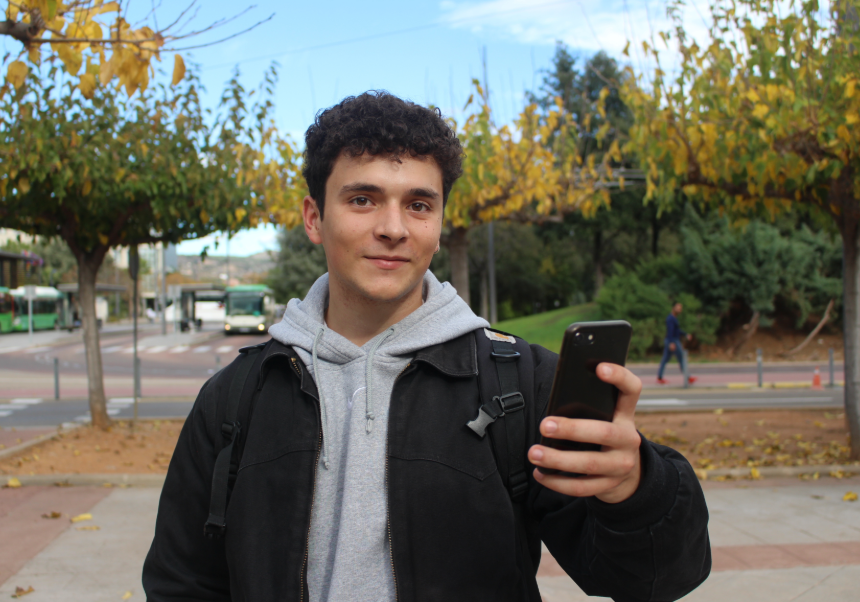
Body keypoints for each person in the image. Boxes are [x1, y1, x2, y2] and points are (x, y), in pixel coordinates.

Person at [142, 92, 710, 602]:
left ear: (439, 221)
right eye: (363, 199)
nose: (394, 227)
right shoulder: (235, 397)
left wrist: (637, 487)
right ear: (314, 218)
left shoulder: (521, 384)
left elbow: (653, 579)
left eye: (418, 204)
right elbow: (182, 583)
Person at [657, 302, 697, 385]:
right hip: (673, 341)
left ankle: (660, 377)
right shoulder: (670, 318)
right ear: (673, 308)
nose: (679, 310)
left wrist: (685, 334)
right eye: (678, 308)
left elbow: (677, 330)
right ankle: (688, 377)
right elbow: (670, 331)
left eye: (680, 308)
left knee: (665, 359)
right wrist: (671, 343)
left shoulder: (674, 318)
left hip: (671, 340)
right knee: (682, 357)